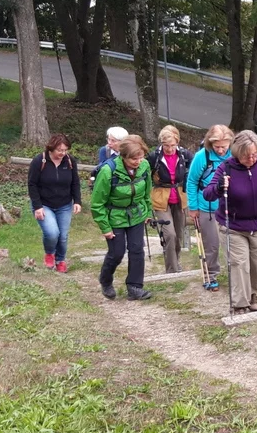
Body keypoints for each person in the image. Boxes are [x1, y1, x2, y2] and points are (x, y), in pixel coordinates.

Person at [204, 130, 257, 314]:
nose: (251, 158)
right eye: (246, 155)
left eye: (254, 154)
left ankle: (253, 294)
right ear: (237, 153)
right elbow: (208, 193)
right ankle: (240, 303)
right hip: (233, 227)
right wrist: (219, 186)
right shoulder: (226, 168)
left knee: (256, 263)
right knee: (239, 264)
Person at [91, 135, 154, 301]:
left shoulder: (145, 166)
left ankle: (135, 287)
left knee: (137, 250)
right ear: (123, 156)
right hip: (115, 216)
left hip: (136, 214)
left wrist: (147, 212)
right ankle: (105, 280)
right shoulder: (108, 171)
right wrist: (105, 227)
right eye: (134, 159)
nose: (138, 161)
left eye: (141, 157)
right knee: (117, 253)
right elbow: (97, 203)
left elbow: (147, 192)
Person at [187, 124, 234, 291]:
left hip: (230, 207)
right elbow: (192, 181)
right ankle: (211, 275)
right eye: (217, 147)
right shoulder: (202, 156)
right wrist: (193, 207)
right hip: (207, 206)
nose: (220, 150)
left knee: (233, 244)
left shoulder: (235, 155)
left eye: (224, 146)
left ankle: (236, 276)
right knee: (212, 244)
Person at [27, 133, 82, 273]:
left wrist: (77, 201)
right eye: (59, 150)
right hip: (44, 204)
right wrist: (37, 207)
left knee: (62, 236)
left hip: (64, 204)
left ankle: (60, 260)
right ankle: (50, 253)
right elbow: (32, 184)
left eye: (65, 150)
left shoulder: (69, 161)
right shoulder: (39, 161)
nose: (63, 153)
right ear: (51, 148)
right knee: (52, 233)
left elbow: (75, 182)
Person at [150, 125, 192, 273]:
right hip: (161, 198)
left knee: (178, 234)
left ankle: (176, 262)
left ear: (177, 142)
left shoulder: (184, 155)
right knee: (170, 234)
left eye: (172, 145)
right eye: (166, 145)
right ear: (161, 143)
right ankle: (171, 269)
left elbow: (195, 171)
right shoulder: (154, 157)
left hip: (180, 197)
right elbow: (144, 174)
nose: (169, 149)